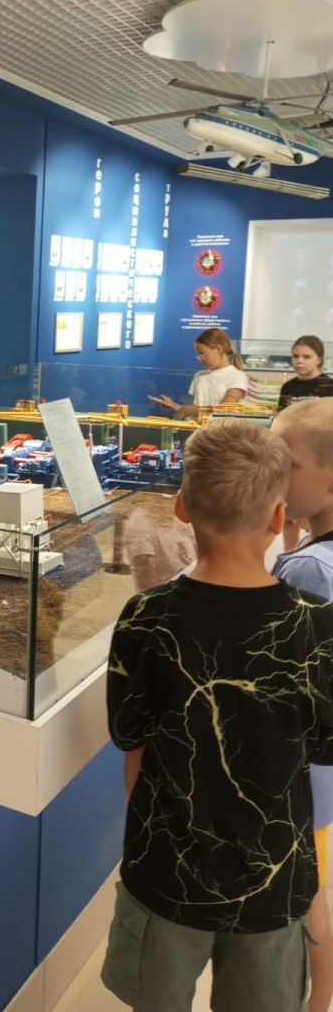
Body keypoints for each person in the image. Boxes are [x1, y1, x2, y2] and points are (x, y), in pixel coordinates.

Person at [102, 418, 333, 1012]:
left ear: (181, 507)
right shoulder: (318, 625)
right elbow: (322, 749)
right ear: (279, 517)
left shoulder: (145, 618)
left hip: (165, 868)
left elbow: (132, 744)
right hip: (273, 876)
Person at [272, 399, 333, 1012]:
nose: (272, 475)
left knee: (305, 895)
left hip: (297, 780)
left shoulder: (308, 573)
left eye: (285, 464)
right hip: (322, 776)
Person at [152, 327, 248, 418]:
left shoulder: (238, 376)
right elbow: (197, 409)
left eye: (203, 354)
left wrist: (188, 410)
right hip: (200, 427)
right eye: (199, 355)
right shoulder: (199, 376)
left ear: (219, 349)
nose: (201, 359)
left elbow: (225, 409)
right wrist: (175, 406)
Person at [278, 335, 333, 410]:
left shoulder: (329, 386)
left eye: (306, 357)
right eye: (295, 356)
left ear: (318, 359)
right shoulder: (288, 386)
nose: (299, 361)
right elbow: (282, 415)